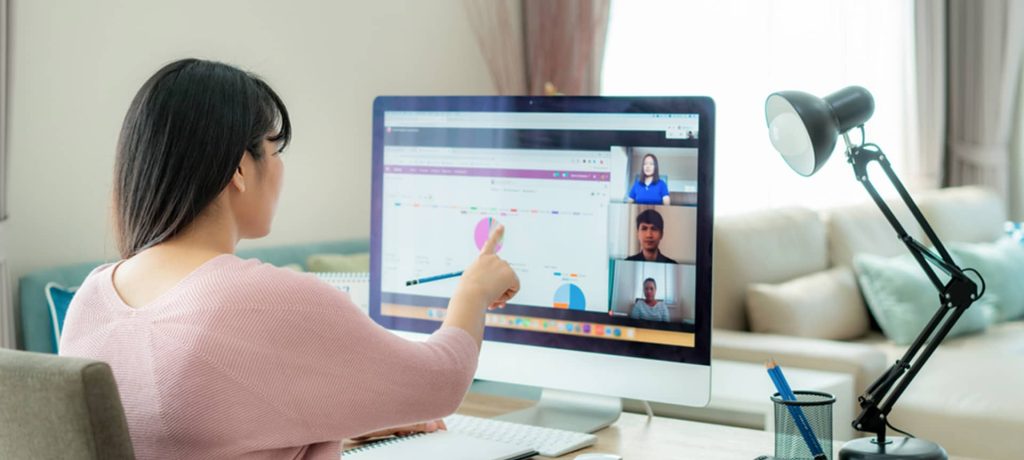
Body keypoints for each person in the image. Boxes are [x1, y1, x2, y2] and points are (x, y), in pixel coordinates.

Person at [58, 59, 520, 459]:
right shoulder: (272, 301)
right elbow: (440, 383)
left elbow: (188, 433)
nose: (280, 169)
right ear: (240, 167)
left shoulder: (90, 301)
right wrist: (474, 289)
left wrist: (342, 424)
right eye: (275, 151)